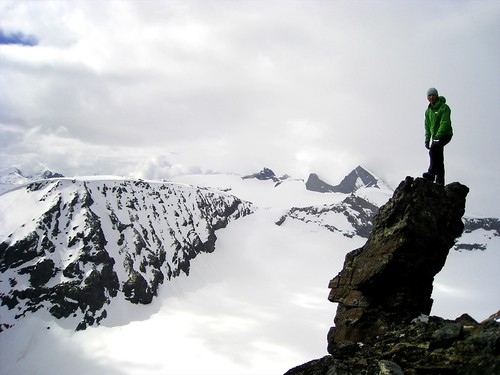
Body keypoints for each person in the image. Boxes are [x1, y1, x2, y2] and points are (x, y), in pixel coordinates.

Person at [423, 87, 453, 185]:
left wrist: (438, 135)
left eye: (433, 95)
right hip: (435, 136)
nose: (431, 97)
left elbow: (445, 122)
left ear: (437, 95)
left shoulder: (444, 107)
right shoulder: (428, 111)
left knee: (434, 150)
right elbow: (427, 125)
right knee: (438, 156)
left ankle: (431, 173)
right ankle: (439, 181)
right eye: (429, 95)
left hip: (445, 134)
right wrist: (427, 138)